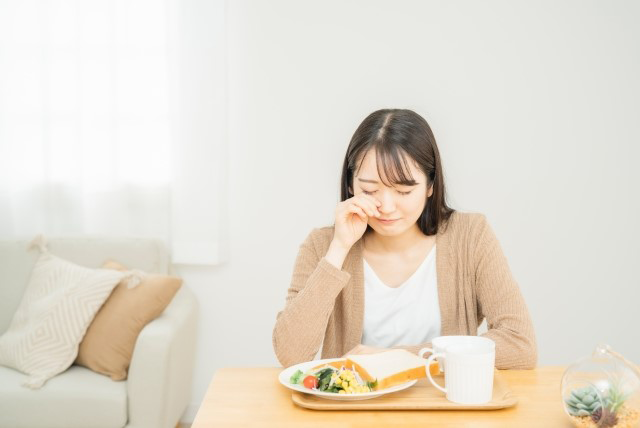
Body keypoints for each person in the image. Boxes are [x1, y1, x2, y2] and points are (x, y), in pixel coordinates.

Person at [272, 109, 537, 369]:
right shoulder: (323, 245)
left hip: (445, 407)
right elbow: (291, 355)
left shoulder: (470, 235)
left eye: (403, 191)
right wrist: (339, 248)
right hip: (355, 411)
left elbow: (519, 345)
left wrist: (401, 357)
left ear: (430, 186)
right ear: (351, 184)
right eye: (370, 189)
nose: (387, 206)